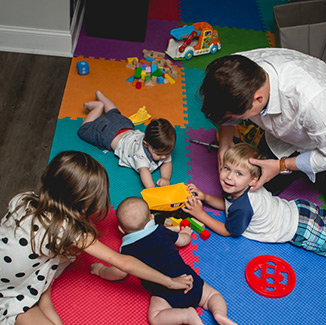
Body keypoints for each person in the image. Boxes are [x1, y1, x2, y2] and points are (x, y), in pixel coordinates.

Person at [0, 151, 193, 325]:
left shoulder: (23, 198)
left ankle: (42, 294)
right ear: (78, 203)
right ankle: (40, 295)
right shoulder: (66, 231)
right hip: (8, 294)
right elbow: (124, 263)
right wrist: (169, 281)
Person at [199, 48, 326, 217]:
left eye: (235, 116)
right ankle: (307, 167)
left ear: (257, 99)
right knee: (245, 193)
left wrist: (282, 166)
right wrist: (225, 142)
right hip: (285, 135)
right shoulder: (233, 70)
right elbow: (226, 111)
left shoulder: (314, 102)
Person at [182, 143, 326, 259]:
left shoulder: (242, 206)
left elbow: (230, 230)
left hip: (301, 229)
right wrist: (206, 197)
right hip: (299, 209)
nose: (228, 177)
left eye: (238, 173)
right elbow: (227, 204)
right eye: (226, 169)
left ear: (253, 180)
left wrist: (200, 214)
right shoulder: (242, 191)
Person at [91, 197, 236, 325]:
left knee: (155, 317)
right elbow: (182, 241)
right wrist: (185, 233)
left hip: (164, 292)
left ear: (121, 230)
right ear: (151, 217)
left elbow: (119, 273)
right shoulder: (161, 231)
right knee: (213, 295)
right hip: (188, 278)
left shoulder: (127, 249)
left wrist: (101, 270)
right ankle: (219, 314)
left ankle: (187, 315)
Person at [78, 90, 176, 188]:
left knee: (113, 112)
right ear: (145, 144)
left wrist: (165, 178)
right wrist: (152, 190)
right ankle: (97, 108)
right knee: (83, 130)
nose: (164, 157)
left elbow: (167, 162)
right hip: (108, 133)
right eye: (158, 154)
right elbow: (144, 172)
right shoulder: (141, 155)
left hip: (124, 125)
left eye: (167, 153)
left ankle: (100, 95)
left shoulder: (163, 147)